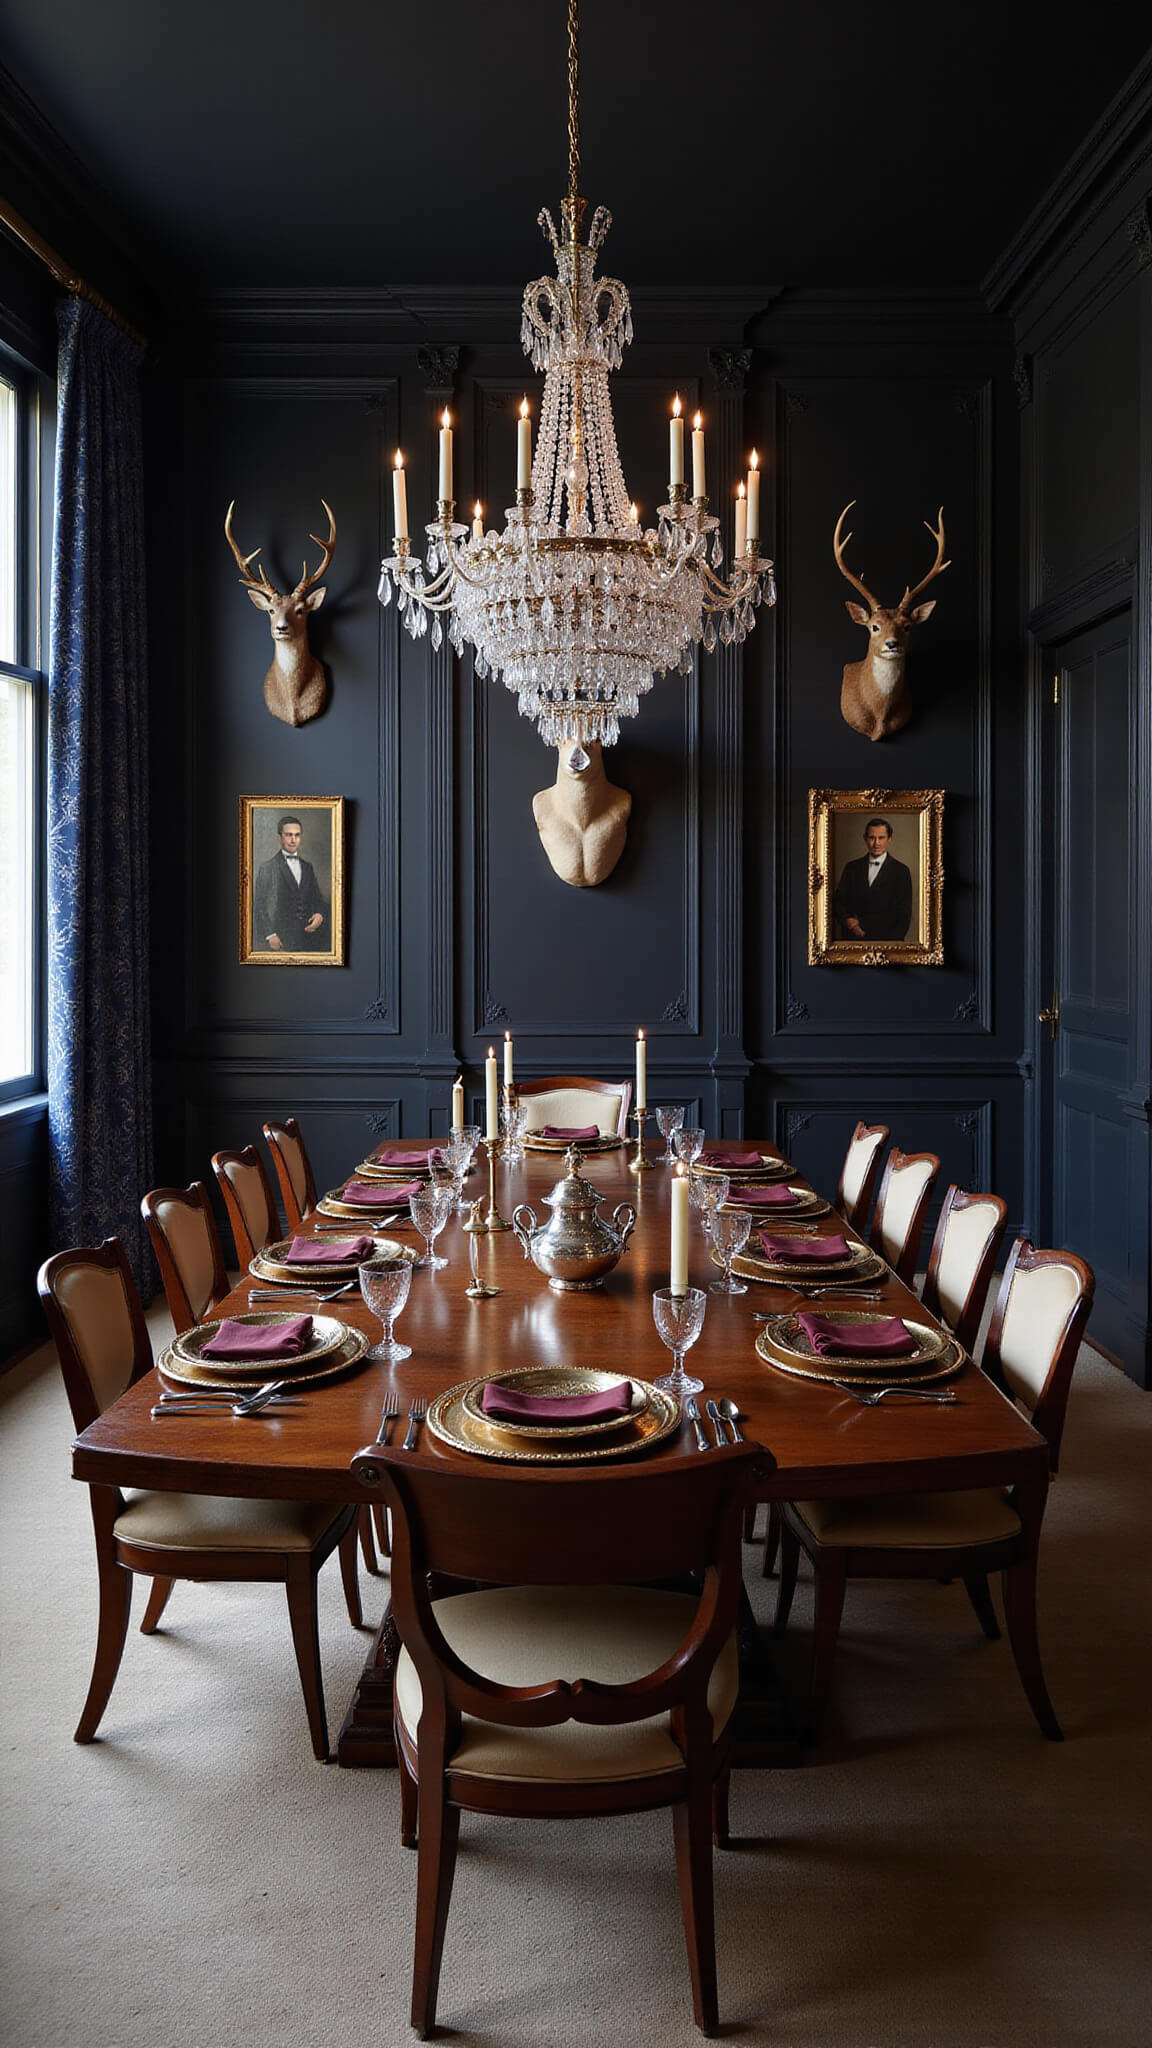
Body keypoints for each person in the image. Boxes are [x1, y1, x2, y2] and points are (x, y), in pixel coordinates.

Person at [253, 815, 327, 951]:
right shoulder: (268, 867)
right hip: (280, 940)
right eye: (288, 835)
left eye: (297, 835)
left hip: (309, 936)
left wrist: (319, 914)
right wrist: (270, 935)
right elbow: (259, 905)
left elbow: (317, 898)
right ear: (280, 837)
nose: (293, 840)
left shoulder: (307, 867)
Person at [833, 817, 913, 941]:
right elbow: (839, 902)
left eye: (881, 838)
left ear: (889, 839)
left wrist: (889, 945)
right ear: (865, 838)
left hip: (886, 942)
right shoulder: (851, 868)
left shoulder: (901, 871)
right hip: (853, 941)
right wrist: (848, 921)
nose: (876, 843)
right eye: (872, 838)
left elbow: (904, 916)